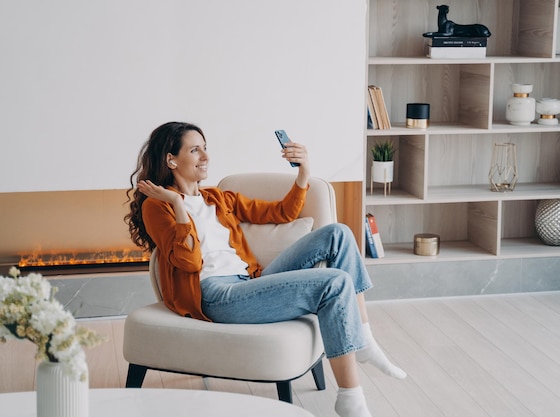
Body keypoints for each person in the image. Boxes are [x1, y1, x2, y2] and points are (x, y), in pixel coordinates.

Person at [125, 121, 406, 417]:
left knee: (339, 234)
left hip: (249, 283)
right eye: (195, 150)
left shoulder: (218, 199)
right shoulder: (157, 207)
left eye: (205, 148)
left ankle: (364, 338)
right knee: (333, 283)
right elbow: (188, 262)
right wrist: (178, 205)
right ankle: (351, 400)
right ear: (171, 160)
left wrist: (304, 171)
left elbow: (281, 212)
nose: (205, 157)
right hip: (216, 296)